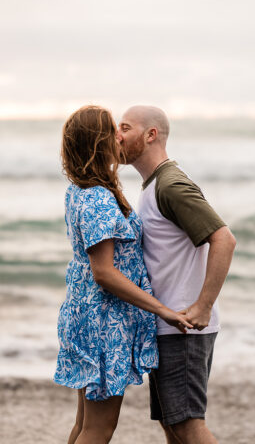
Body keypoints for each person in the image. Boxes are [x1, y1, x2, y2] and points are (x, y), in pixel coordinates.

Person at [54, 105, 194, 444]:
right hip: (105, 322)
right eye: (113, 130)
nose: (120, 135)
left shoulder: (81, 190)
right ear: (99, 142)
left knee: (84, 423)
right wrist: (161, 309)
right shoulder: (99, 199)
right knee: (99, 428)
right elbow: (104, 272)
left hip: (86, 312)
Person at [117, 106, 237, 444]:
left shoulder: (170, 184)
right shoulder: (152, 186)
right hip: (168, 323)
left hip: (183, 325)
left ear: (150, 134)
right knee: (173, 427)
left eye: (124, 127)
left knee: (187, 426)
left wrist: (202, 305)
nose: (116, 136)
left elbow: (224, 239)